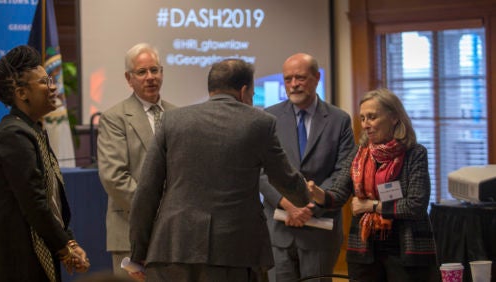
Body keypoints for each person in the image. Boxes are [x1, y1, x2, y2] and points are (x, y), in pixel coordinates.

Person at [129, 58, 312, 282]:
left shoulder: (171, 120)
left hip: (171, 250)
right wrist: (305, 196)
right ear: (244, 91)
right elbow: (286, 181)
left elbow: (146, 192)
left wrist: (138, 254)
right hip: (233, 255)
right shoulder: (260, 123)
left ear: (212, 88)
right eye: (252, 95)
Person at [308, 88, 438, 282]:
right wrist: (318, 194)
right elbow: (338, 193)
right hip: (364, 249)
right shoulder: (358, 154)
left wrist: (372, 206)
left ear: (394, 117)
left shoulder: (414, 153)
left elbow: (416, 205)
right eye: (362, 118)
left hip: (407, 249)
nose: (366, 125)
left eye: (372, 117)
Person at [0, 45, 90, 281]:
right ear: (22, 93)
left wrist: (67, 240)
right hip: (19, 261)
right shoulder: (13, 135)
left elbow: (51, 201)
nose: (53, 87)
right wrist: (65, 248)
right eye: (44, 82)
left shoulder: (33, 130)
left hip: (39, 250)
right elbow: (35, 202)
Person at [259, 53, 355, 281]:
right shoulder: (268, 117)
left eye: (300, 77)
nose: (293, 84)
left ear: (317, 77)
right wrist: (288, 205)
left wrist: (310, 205)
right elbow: (261, 170)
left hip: (319, 231)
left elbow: (343, 171)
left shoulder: (339, 120)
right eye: (288, 79)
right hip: (278, 228)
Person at [97, 42, 176, 276]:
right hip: (131, 233)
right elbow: (114, 178)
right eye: (142, 72)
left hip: (174, 234)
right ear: (128, 78)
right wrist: (157, 210)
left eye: (155, 70)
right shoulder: (114, 118)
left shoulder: (179, 115)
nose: (150, 77)